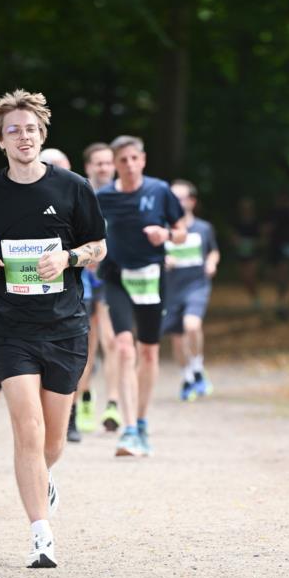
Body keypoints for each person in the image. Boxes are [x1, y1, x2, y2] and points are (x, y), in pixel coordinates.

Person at [0, 89, 107, 568]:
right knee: (27, 429)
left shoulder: (73, 187)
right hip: (11, 326)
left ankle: (43, 478)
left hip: (64, 326)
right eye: (13, 131)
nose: (23, 137)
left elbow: (97, 247)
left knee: (52, 443)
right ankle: (40, 535)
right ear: (1, 141)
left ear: (42, 135)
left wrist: (68, 257)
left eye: (30, 129)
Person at [96, 135, 186, 457]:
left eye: (135, 158)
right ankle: (129, 428)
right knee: (124, 347)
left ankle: (143, 422)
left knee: (148, 352)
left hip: (151, 277)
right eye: (123, 160)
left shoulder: (159, 191)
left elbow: (182, 230)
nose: (130, 165)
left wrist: (167, 235)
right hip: (117, 277)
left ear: (143, 160)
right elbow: (89, 234)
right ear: (116, 165)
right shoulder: (103, 197)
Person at [162, 180, 220, 400]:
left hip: (196, 285)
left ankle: (197, 367)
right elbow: (153, 254)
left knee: (192, 325)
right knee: (177, 339)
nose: (176, 201)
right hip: (171, 289)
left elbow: (214, 251)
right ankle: (188, 377)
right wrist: (163, 259)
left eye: (181, 197)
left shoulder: (203, 228)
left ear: (192, 201)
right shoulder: (164, 228)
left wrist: (212, 263)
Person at [77, 142, 121, 434]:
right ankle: (85, 398)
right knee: (88, 342)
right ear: (88, 167)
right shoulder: (78, 193)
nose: (104, 168)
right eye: (98, 163)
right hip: (83, 278)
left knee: (112, 339)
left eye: (108, 163)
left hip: (113, 278)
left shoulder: (123, 196)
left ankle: (114, 403)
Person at [40, 146, 81, 442]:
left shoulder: (77, 194)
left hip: (74, 299)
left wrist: (69, 257)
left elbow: (98, 245)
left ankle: (74, 410)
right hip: (19, 313)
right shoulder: (9, 199)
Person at [263, 191, 289, 320]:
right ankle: (280, 301)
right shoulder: (273, 213)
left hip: (284, 248)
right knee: (277, 276)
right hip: (276, 248)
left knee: (283, 275)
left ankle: (282, 302)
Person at [231, 197, 262, 308]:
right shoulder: (237, 222)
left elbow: (261, 238)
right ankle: (254, 296)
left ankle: (256, 298)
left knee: (250, 276)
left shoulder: (256, 222)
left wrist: (253, 243)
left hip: (253, 253)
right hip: (241, 253)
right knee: (244, 278)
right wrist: (236, 241)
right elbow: (233, 237)